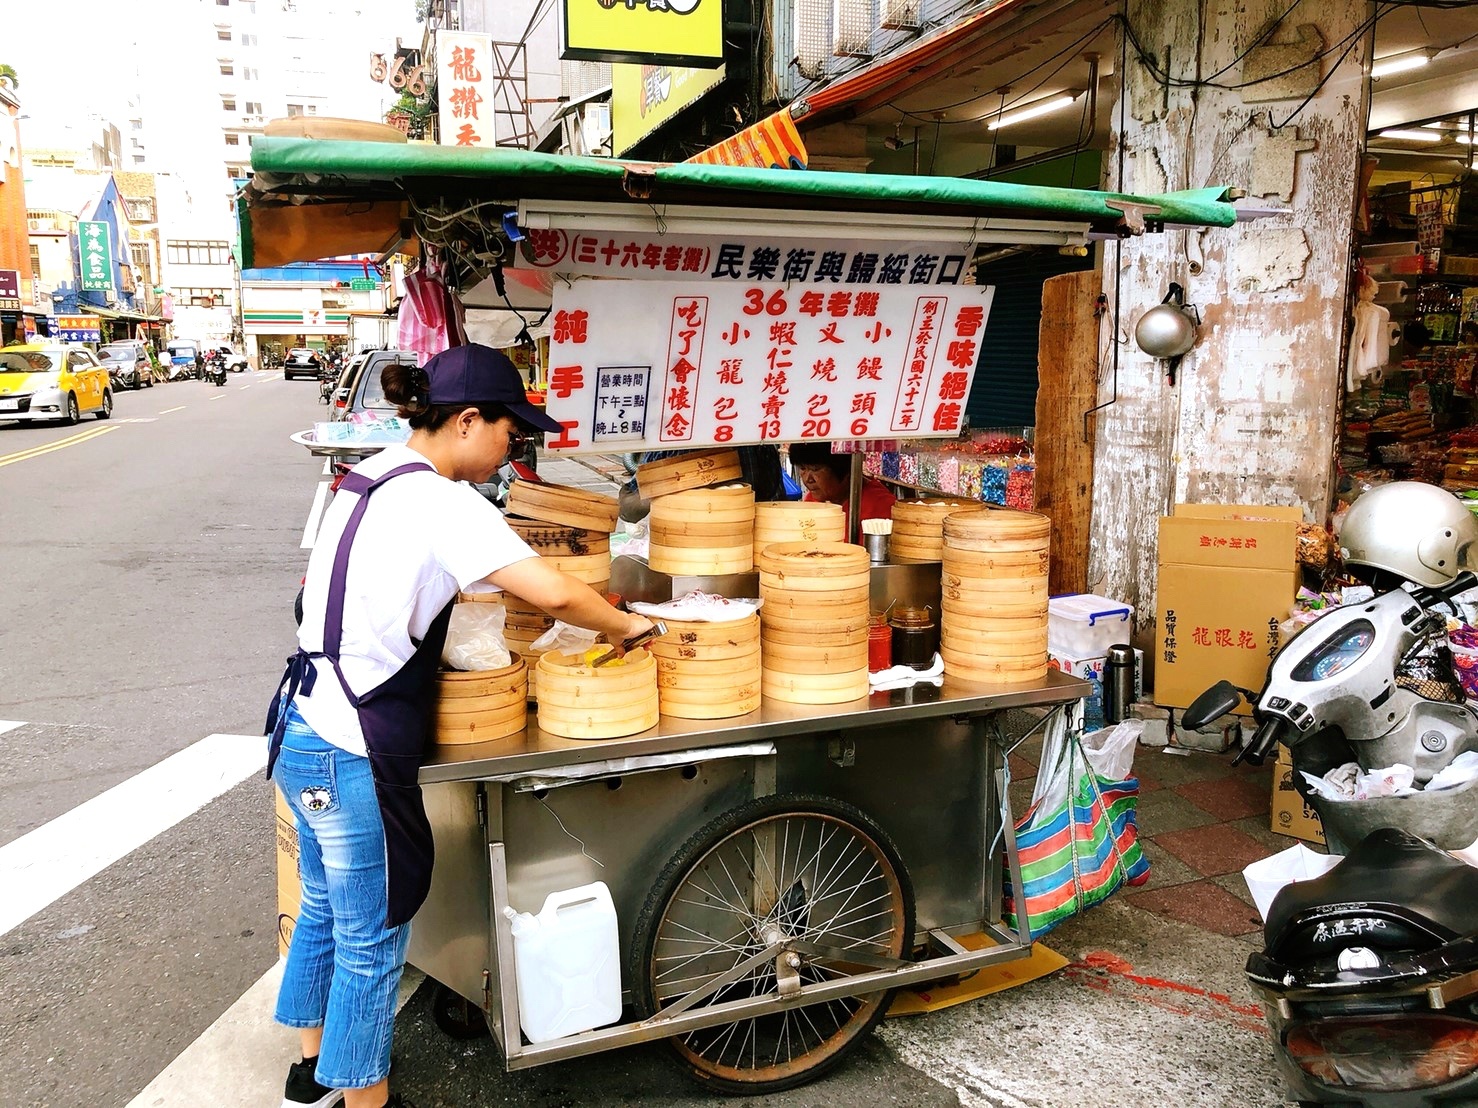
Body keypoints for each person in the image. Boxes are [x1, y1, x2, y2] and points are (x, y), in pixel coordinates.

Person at [264, 344, 652, 1108]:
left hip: (301, 725)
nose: (514, 447)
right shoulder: (444, 502)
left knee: (322, 906)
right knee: (373, 936)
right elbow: (556, 593)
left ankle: (311, 1072)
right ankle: (364, 1100)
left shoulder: (367, 474)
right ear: (468, 420)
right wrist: (626, 627)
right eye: (511, 432)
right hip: (354, 747)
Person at [618, 445, 786, 524]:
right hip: (679, 549)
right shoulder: (757, 443)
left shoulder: (757, 446)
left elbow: (628, 510)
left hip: (742, 551)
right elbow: (629, 508)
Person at [787, 441, 896, 531]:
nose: (808, 479)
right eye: (803, 468)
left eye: (816, 469)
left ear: (843, 470)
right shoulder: (813, 500)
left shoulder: (881, 506)